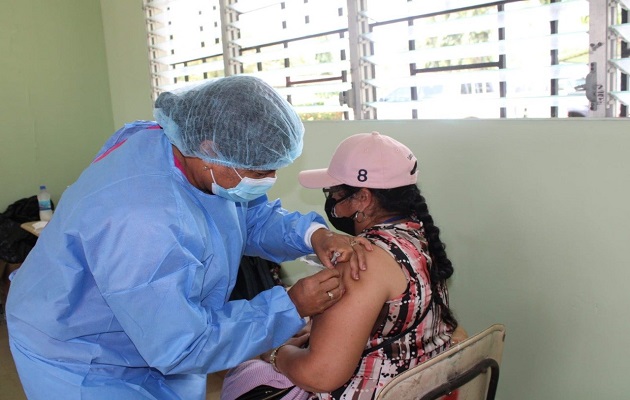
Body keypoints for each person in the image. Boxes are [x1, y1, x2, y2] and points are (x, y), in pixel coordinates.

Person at [5, 76, 371, 400]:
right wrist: (290, 306)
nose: (268, 179)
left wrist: (313, 234)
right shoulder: (144, 220)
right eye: (259, 170)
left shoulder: (180, 148)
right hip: (82, 351)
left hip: (159, 325)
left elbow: (249, 215)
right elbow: (183, 344)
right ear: (210, 148)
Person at [221, 131, 463, 400]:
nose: (331, 202)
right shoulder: (418, 237)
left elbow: (320, 376)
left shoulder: (361, 259)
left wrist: (274, 351)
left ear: (362, 198)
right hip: (420, 387)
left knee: (247, 372)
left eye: (333, 193)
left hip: (372, 391)